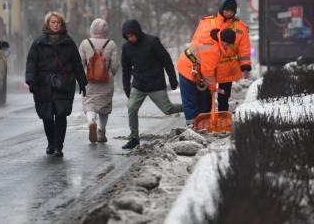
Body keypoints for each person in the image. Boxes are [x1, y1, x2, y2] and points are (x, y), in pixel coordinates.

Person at [25, 11, 87, 157]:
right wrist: (30, 80)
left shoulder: (68, 42)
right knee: (47, 116)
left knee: (61, 115)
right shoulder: (38, 42)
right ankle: (51, 143)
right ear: (48, 23)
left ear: (62, 24)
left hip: (63, 85)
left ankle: (59, 146)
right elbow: (31, 62)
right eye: (53, 22)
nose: (55, 25)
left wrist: (82, 82)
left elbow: (77, 63)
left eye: (58, 22)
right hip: (43, 85)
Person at [121, 19, 183, 149]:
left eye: (132, 35)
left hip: (155, 83)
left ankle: (191, 107)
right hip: (138, 84)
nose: (130, 38)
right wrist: (126, 86)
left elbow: (166, 60)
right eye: (127, 36)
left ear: (137, 32)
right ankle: (134, 138)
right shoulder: (126, 48)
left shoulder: (152, 42)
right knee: (131, 108)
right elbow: (125, 68)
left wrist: (172, 78)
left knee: (168, 109)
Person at [192, 0, 251, 111]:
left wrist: (245, 65)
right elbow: (198, 40)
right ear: (221, 9)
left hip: (227, 68)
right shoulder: (207, 22)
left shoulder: (240, 27)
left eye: (231, 11)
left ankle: (223, 114)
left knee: (223, 94)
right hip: (209, 66)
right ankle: (207, 115)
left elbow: (244, 48)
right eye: (226, 10)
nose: (229, 13)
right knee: (207, 94)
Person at [177, 28, 236, 126]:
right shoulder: (213, 49)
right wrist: (212, 88)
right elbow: (208, 72)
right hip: (187, 69)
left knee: (201, 99)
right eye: (227, 44)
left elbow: (211, 69)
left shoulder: (216, 43)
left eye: (230, 45)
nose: (228, 47)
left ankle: (201, 123)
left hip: (196, 70)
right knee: (190, 99)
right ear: (222, 40)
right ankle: (192, 126)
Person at [79, 18, 119, 143]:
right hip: (106, 81)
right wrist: (109, 73)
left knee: (89, 104)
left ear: (91, 29)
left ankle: (91, 121)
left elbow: (80, 63)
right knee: (104, 107)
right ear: (106, 31)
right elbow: (115, 65)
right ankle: (101, 132)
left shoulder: (85, 43)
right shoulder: (111, 44)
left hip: (89, 81)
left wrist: (82, 75)